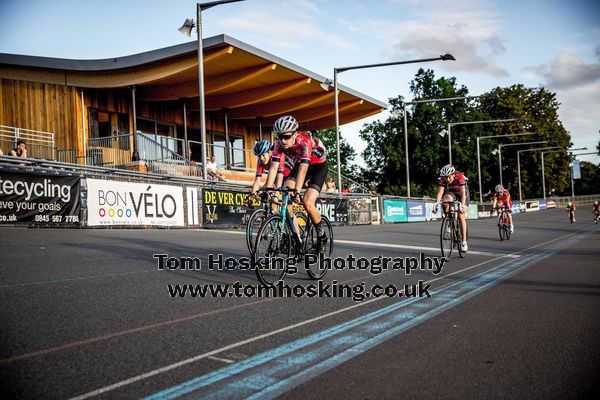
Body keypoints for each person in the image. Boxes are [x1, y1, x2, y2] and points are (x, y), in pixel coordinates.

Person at [264, 115, 329, 252]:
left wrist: (297, 191)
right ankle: (297, 239)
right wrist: (267, 188)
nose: (282, 140)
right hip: (300, 166)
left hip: (317, 167)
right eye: (279, 136)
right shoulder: (278, 144)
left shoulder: (304, 141)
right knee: (285, 198)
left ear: (295, 134)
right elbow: (273, 168)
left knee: (307, 202)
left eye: (286, 137)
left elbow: (303, 170)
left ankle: (321, 235)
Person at [433, 164, 469, 251]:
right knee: (445, 202)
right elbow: (440, 192)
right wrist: (436, 204)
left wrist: (463, 205)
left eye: (449, 177)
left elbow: (463, 193)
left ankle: (464, 242)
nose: (447, 180)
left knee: (461, 216)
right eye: (445, 178)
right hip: (452, 193)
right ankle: (448, 221)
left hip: (462, 193)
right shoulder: (443, 179)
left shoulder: (459, 177)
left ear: (453, 174)